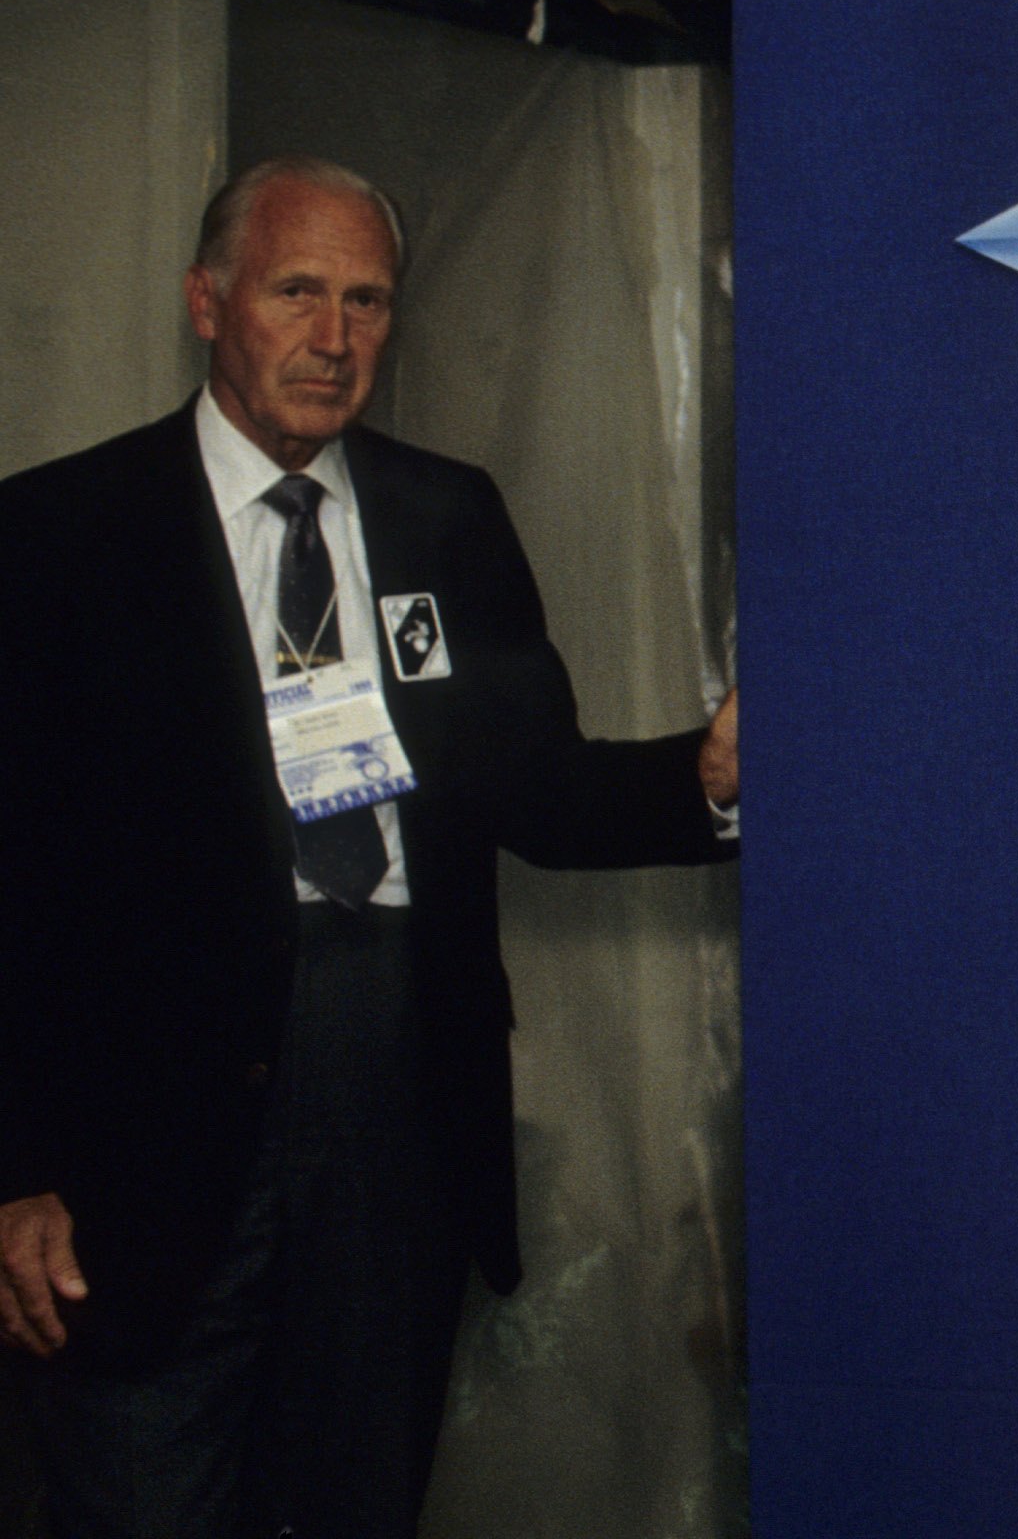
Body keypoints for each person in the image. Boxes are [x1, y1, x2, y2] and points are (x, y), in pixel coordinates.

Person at [0, 157, 741, 1539]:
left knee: (357, 1506)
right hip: (143, 1143)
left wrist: (701, 779)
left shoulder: (444, 517)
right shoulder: (54, 538)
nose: (334, 339)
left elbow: (541, 793)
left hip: (396, 1089)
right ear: (205, 302)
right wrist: (14, 1165)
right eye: (297, 293)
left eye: (368, 302)